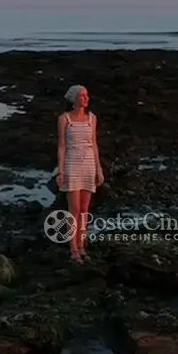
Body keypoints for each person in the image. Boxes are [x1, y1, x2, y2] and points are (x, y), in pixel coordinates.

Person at [56, 84, 104, 263]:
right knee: (74, 209)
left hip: (88, 165)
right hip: (71, 165)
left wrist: (98, 170)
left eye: (87, 95)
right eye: (82, 96)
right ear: (74, 99)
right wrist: (60, 171)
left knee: (84, 210)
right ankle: (73, 249)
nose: (86, 99)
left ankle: (82, 245)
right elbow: (61, 146)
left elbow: (95, 144)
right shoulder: (64, 119)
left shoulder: (92, 118)